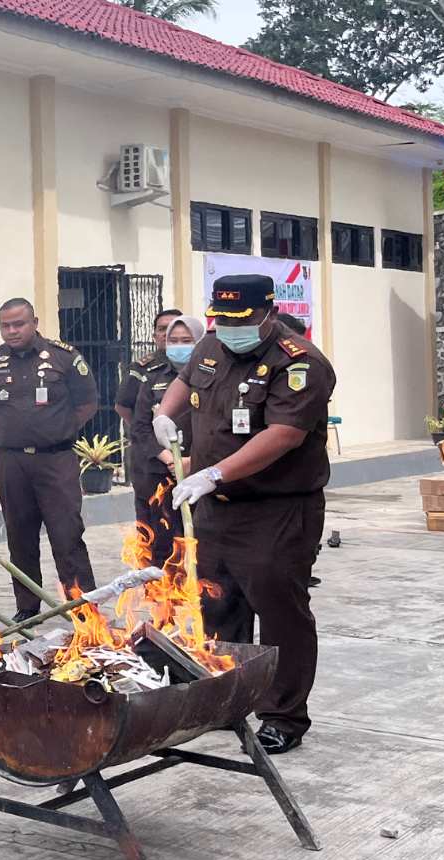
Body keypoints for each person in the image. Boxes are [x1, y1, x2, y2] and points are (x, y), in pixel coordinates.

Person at [154, 274, 336, 755]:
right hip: (215, 508)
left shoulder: (300, 363)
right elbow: (184, 380)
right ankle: (226, 699)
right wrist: (165, 414)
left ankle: (282, 716)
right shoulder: (212, 346)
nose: (230, 328)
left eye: (242, 319)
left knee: (280, 612)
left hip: (275, 509)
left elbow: (284, 435)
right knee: (218, 604)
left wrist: (212, 474)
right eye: (223, 319)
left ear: (269, 312)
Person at [0, 298, 99, 620]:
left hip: (55, 460)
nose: (12, 331)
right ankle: (27, 608)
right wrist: (17, 434)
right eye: (5, 326)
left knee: (67, 534)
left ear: (35, 322)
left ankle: (81, 607)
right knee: (19, 536)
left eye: (19, 324)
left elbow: (86, 405)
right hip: (10, 463)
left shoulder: (64, 358)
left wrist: (56, 431)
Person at [117, 311, 198, 567]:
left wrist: (190, 461)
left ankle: (202, 594)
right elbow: (139, 425)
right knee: (161, 534)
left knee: (199, 536)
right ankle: (164, 597)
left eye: (186, 340)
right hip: (157, 468)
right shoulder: (151, 376)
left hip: (201, 466)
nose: (177, 345)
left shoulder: (212, 376)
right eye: (173, 340)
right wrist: (168, 458)